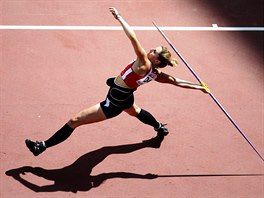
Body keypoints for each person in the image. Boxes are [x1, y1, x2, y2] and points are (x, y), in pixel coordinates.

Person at [25, 7, 209, 156]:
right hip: (126, 97)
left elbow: (133, 37)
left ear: (157, 60)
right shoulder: (156, 73)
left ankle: (42, 146)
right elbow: (177, 81)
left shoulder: (144, 63)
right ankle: (159, 127)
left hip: (113, 103)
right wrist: (199, 87)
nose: (151, 49)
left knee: (75, 120)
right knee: (135, 111)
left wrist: (120, 17)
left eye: (155, 50)